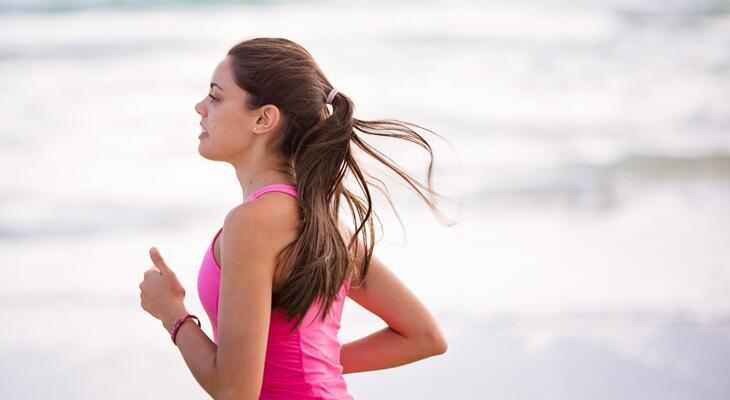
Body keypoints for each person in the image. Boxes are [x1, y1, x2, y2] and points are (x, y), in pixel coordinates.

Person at [139, 37, 453, 399]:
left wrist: (173, 314)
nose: (200, 107)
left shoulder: (251, 223)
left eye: (215, 96)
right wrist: (313, 366)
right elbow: (424, 336)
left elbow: (234, 392)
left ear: (263, 118)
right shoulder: (324, 222)